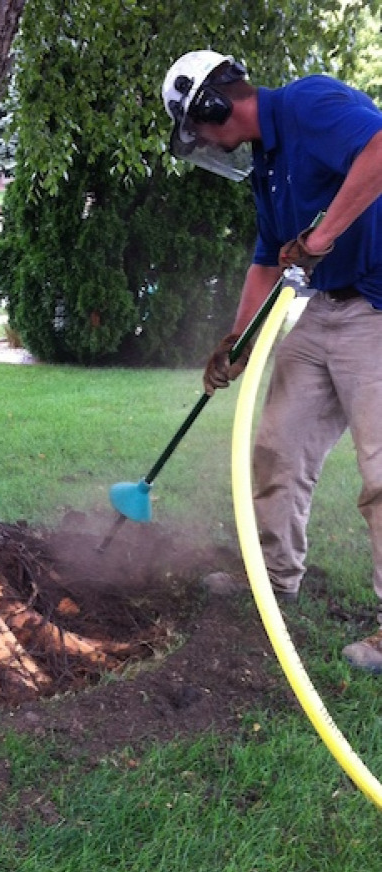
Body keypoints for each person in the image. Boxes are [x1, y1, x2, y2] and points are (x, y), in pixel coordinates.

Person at [161, 50, 382, 673]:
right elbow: (267, 260)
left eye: (198, 128)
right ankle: (274, 581)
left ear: (213, 104)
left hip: (378, 305)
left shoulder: (310, 102)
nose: (205, 141)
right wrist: (238, 342)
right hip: (326, 310)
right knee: (277, 446)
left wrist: (320, 237)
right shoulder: (267, 166)